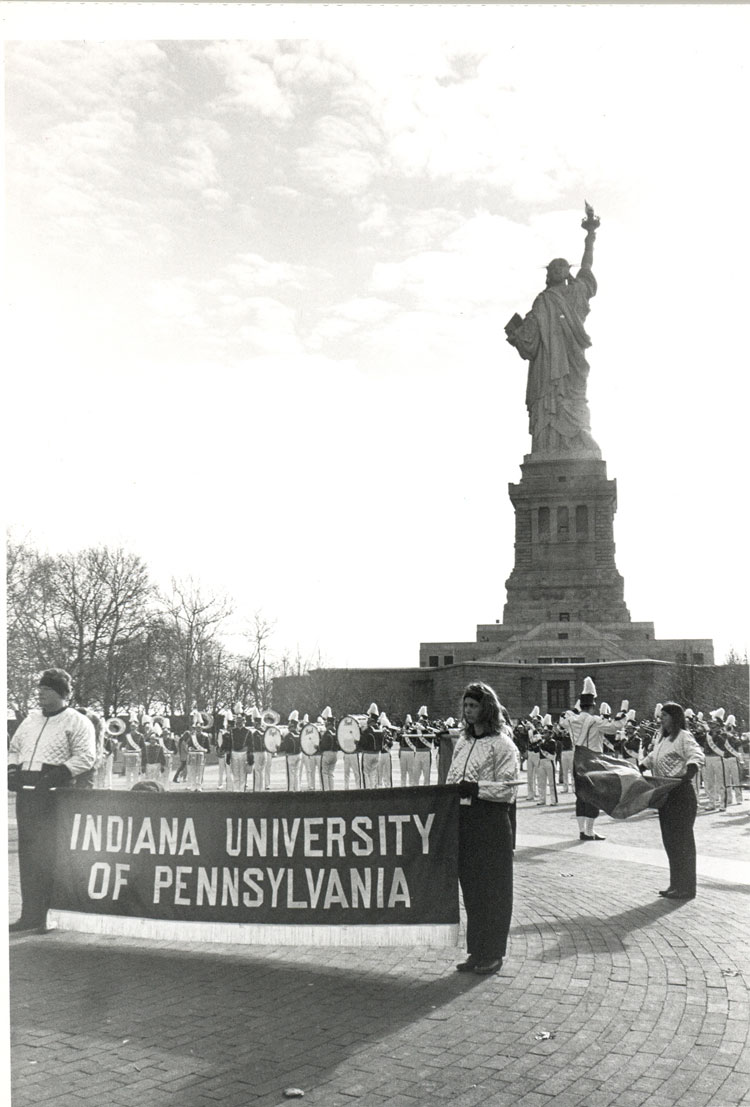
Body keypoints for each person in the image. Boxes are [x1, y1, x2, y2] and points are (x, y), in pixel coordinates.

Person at [505, 203, 601, 456]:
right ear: (549, 274)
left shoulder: (575, 293)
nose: (557, 270)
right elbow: (530, 339)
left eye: (562, 267)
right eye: (553, 268)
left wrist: (590, 237)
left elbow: (587, 268)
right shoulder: (543, 301)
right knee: (550, 400)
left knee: (572, 397)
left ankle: (575, 440)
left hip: (570, 361)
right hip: (547, 367)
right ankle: (548, 446)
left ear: (566, 272)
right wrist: (517, 336)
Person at [7, 669, 97, 933]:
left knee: (49, 854)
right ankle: (29, 914)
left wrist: (60, 772)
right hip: (27, 793)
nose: (41, 694)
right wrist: (12, 770)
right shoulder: (30, 721)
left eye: (47, 690)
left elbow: (86, 756)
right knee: (28, 854)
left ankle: (48, 915)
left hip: (55, 794)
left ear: (61, 694)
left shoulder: (77, 721)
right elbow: (14, 747)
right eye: (40, 690)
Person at [445, 681, 519, 976]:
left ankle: (493, 953)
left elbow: (509, 789)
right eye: (465, 705)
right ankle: (476, 950)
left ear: (486, 707)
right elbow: (452, 777)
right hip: (465, 822)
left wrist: (477, 788)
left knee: (494, 890)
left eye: (474, 706)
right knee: (472, 890)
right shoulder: (462, 742)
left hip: (491, 820)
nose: (468, 711)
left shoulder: (503, 745)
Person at [639, 702, 705, 900]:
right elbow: (653, 757)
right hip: (665, 794)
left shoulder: (684, 737)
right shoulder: (663, 739)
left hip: (680, 794)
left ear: (675, 717)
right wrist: (641, 767)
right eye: (660, 717)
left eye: (665, 716)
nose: (661, 720)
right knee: (670, 841)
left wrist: (688, 772)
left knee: (682, 842)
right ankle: (675, 884)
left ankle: (686, 888)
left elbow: (696, 755)